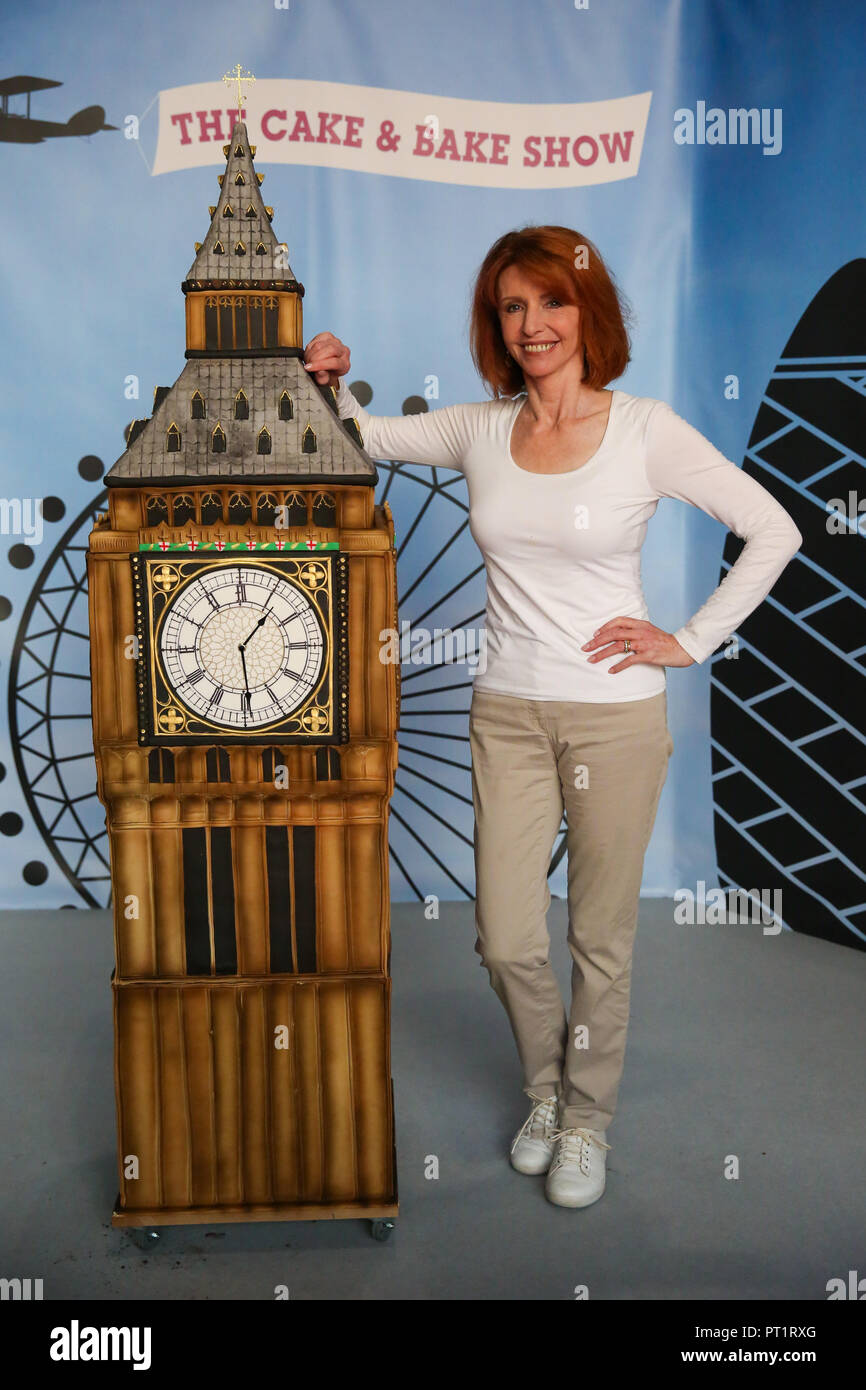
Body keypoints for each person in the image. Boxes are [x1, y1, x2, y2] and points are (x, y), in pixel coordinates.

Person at [302, 225, 802, 1209]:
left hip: (613, 719)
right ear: (497, 326)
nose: (533, 325)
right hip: (508, 713)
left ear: (589, 314)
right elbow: (359, 437)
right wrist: (329, 380)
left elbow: (771, 527)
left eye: (552, 303)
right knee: (503, 936)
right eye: (512, 308)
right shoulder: (480, 430)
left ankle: (587, 1119)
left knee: (599, 939)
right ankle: (544, 1091)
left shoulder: (643, 428)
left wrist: (688, 637)